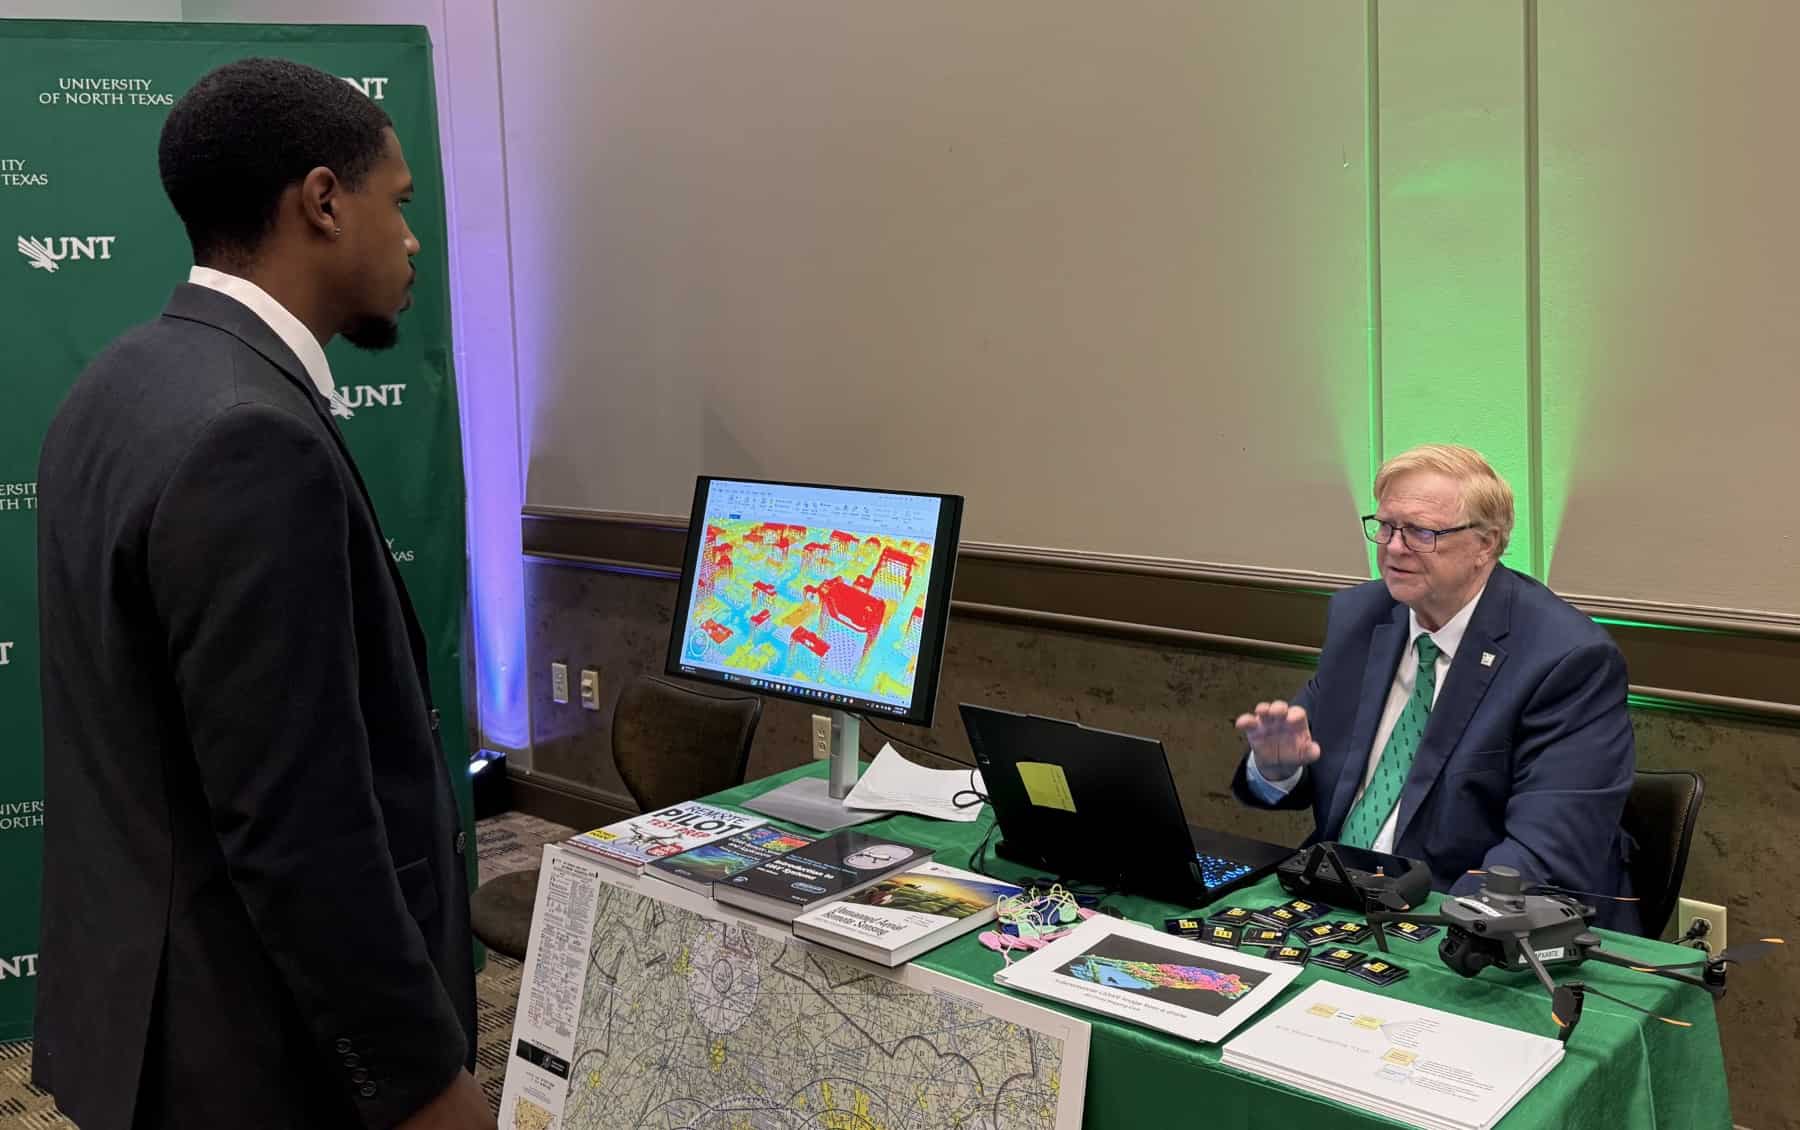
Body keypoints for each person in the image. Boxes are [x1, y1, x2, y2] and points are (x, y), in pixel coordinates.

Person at [34, 59, 494, 1130]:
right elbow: (298, 825)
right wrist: (424, 1086)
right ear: (325, 201)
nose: (415, 239)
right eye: (402, 203)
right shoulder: (250, 437)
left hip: (143, 1015)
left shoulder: (116, 383)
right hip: (250, 1055)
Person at [1231, 444, 1639, 932]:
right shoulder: (1360, 618)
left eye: (1422, 532)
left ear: (1485, 544)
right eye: (1385, 527)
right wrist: (1278, 767)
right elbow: (1301, 779)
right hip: (1335, 897)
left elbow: (1544, 855)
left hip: (1457, 917)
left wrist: (1428, 929)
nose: (1394, 547)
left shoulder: (1566, 658)